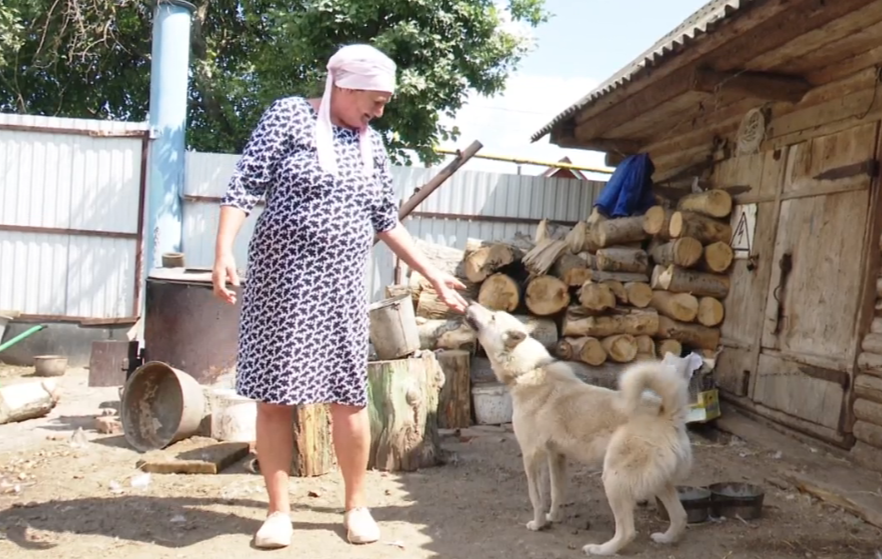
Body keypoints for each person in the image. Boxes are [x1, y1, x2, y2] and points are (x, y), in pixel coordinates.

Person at [210, 43, 468, 549]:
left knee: (347, 398)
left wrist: (432, 276)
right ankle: (278, 512)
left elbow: (386, 220)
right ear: (345, 87)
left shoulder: (373, 144)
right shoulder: (288, 117)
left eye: (385, 101)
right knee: (275, 399)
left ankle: (355, 505)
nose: (380, 110)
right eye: (375, 99)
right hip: (280, 286)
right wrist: (223, 250)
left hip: (341, 289)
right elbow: (244, 186)